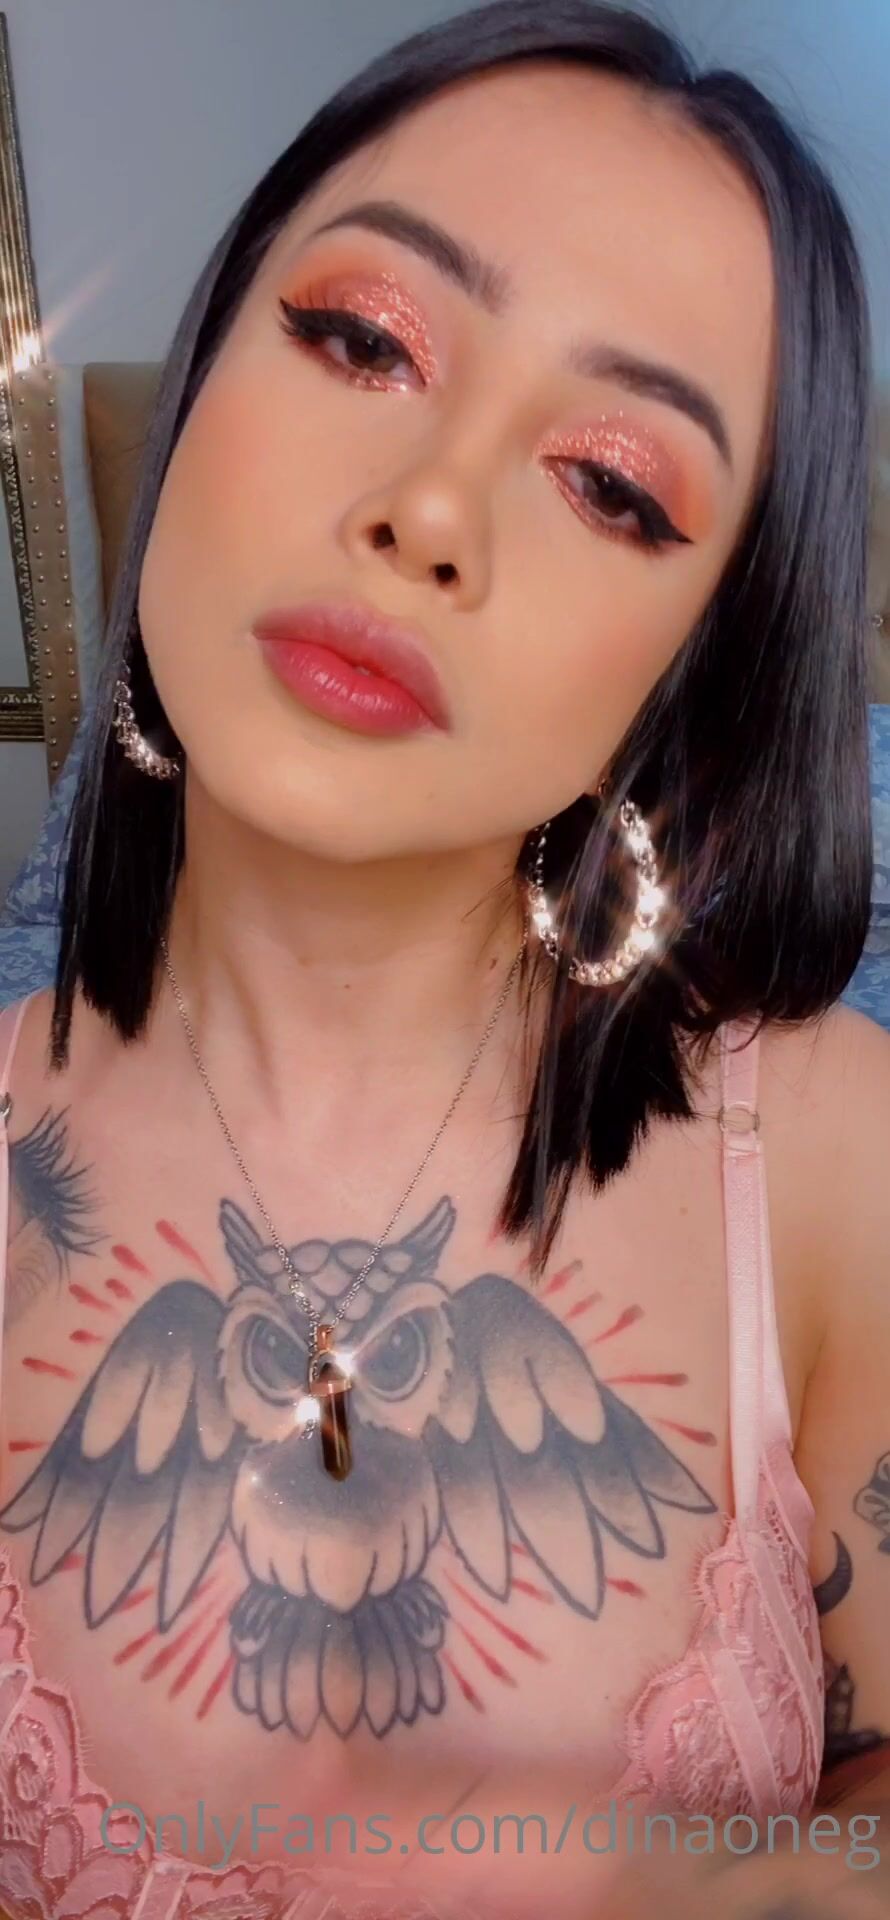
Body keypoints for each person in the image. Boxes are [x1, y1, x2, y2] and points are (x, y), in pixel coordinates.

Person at [0, 2, 888, 1915]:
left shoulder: (831, 1151)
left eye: (611, 484)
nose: (427, 512)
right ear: (208, 370)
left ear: (700, 660)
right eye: (361, 339)